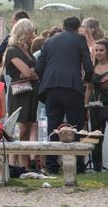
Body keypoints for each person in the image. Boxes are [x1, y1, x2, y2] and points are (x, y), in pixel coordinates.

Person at [36, 16, 93, 174]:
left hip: (51, 88)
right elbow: (88, 67)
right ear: (77, 27)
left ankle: (52, 165)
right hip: (72, 87)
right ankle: (77, 165)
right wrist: (85, 81)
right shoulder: (80, 40)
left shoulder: (49, 41)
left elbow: (39, 67)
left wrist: (46, 80)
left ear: (63, 26)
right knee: (75, 126)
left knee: (53, 127)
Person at [2, 18, 39, 169]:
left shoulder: (26, 50)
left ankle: (24, 164)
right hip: (20, 93)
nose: (33, 36)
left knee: (28, 126)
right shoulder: (12, 50)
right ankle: (12, 164)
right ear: (24, 32)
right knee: (20, 128)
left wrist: (32, 73)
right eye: (31, 32)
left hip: (31, 92)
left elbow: (33, 72)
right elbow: (27, 72)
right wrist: (31, 73)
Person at [85, 39, 108, 171]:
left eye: (102, 50)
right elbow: (89, 89)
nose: (98, 53)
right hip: (96, 105)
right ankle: (97, 167)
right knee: (96, 137)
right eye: (96, 50)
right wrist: (86, 106)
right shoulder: (91, 69)